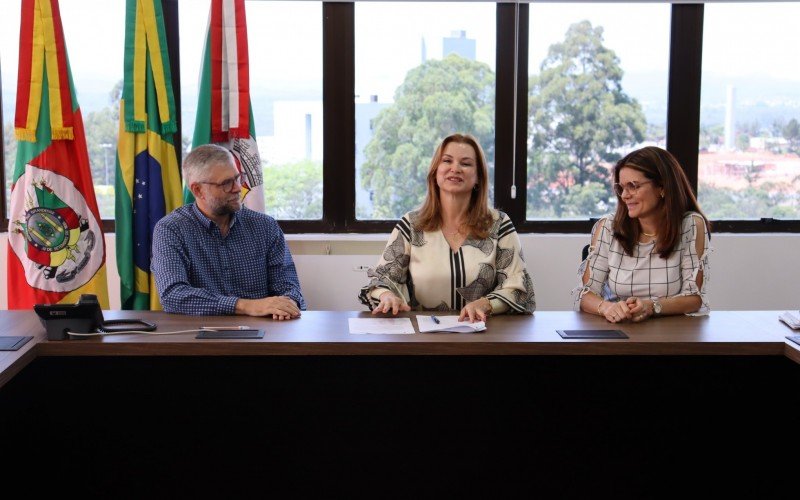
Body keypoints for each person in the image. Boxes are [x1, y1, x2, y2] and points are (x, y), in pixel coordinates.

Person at [359, 133, 536, 322]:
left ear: (478, 178)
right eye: (447, 161)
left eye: (466, 163)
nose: (455, 169)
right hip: (423, 339)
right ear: (435, 172)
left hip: (484, 337)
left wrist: (486, 303)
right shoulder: (412, 224)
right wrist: (387, 296)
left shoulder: (499, 224)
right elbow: (382, 279)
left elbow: (518, 287)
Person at [152, 144, 305, 318]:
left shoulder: (265, 226)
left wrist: (287, 304)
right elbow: (173, 295)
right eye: (226, 183)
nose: (238, 188)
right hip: (198, 334)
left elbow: (288, 286)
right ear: (198, 190)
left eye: (238, 178)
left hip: (264, 331)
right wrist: (246, 306)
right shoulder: (171, 230)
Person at [575, 146, 711, 323]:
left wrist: (651, 306)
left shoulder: (690, 225)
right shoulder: (608, 227)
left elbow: (694, 298)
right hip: (618, 329)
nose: (624, 195)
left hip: (671, 333)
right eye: (621, 188)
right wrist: (608, 308)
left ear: (661, 187)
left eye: (633, 186)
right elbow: (586, 294)